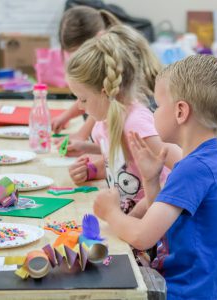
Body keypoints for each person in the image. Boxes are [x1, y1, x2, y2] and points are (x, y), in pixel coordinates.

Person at [93, 55, 217, 299]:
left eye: (157, 105)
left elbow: (143, 236)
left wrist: (110, 212)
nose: (153, 112)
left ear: (181, 111)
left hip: (190, 293)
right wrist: (151, 182)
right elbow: (162, 224)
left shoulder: (195, 168)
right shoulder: (207, 158)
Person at [66, 25, 181, 214]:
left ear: (105, 93)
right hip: (128, 224)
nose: (79, 107)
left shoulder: (136, 125)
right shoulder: (103, 123)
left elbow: (187, 170)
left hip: (152, 231)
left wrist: (132, 218)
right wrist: (91, 170)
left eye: (83, 99)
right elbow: (126, 165)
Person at [51, 6, 120, 156]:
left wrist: (82, 134)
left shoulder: (115, 60)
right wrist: (66, 116)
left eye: (80, 52)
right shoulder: (103, 51)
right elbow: (88, 97)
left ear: (99, 37)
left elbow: (99, 101)